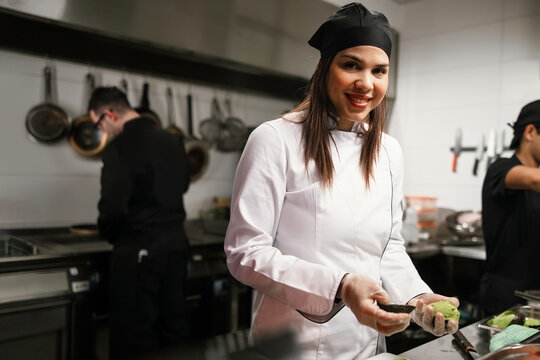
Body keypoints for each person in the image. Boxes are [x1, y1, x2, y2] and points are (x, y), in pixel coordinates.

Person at [224, 3, 459, 359]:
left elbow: (389, 247)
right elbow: (246, 254)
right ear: (323, 68)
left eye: (379, 71)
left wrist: (417, 298)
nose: (366, 83)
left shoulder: (387, 151)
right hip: (292, 344)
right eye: (351, 65)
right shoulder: (275, 139)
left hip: (366, 344)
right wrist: (341, 286)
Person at [88, 87, 191, 359]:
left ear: (109, 114)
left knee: (134, 335)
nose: (103, 131)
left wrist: (111, 235)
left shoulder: (119, 148)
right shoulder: (173, 141)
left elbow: (112, 206)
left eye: (99, 123)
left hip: (139, 250)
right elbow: (183, 185)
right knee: (174, 327)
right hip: (176, 246)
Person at [479, 100, 540, 315]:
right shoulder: (501, 169)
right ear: (530, 132)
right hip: (506, 300)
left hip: (536, 300)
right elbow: (533, 180)